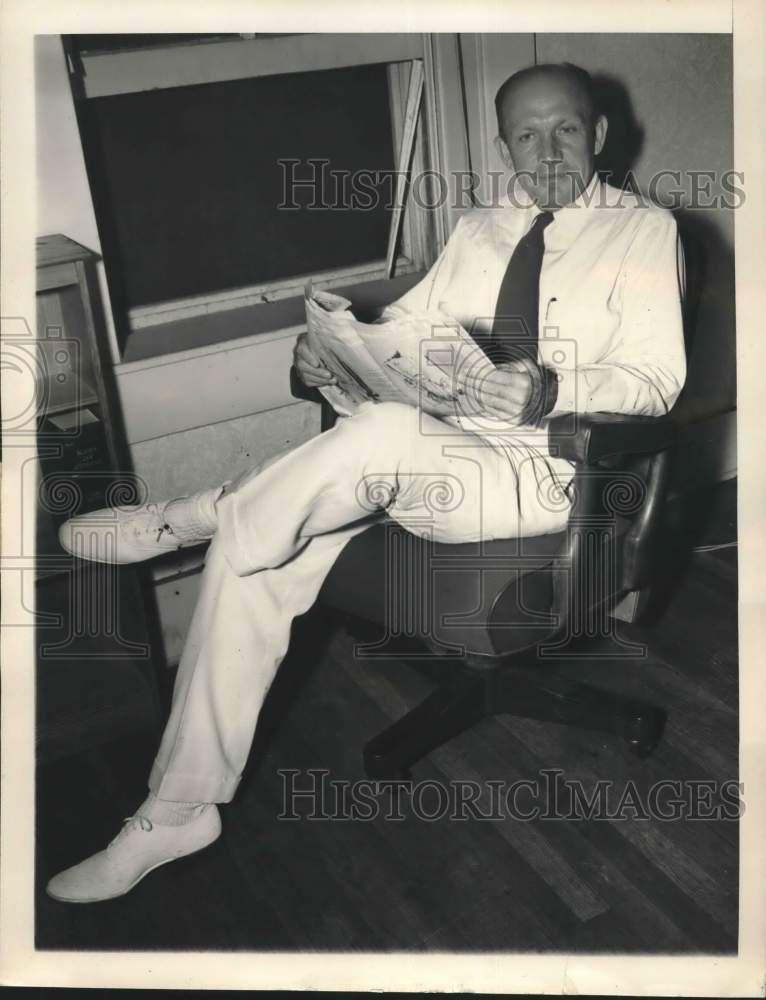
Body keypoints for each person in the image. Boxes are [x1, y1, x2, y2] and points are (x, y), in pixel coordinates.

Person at [46, 62, 686, 903]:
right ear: (504, 148)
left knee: (363, 446)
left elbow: (656, 382)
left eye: (565, 128)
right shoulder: (479, 229)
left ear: (599, 134)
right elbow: (410, 336)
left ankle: (191, 516)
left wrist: (556, 388)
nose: (546, 150)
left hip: (553, 473)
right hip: (439, 452)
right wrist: (332, 355)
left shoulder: (646, 231)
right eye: (525, 135)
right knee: (257, 560)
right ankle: (176, 808)